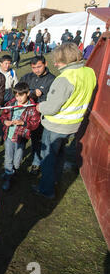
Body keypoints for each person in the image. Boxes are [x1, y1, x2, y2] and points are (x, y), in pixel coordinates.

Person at [34, 42, 96, 199]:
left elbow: (52, 107)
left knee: (48, 157)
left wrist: (40, 106)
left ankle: (46, 189)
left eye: (58, 61)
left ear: (67, 60)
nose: (55, 64)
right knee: (60, 154)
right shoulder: (89, 72)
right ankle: (55, 180)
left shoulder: (64, 79)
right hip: (73, 125)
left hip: (56, 125)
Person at [0, 82, 40, 191]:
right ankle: (8, 176)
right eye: (16, 95)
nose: (19, 98)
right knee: (8, 157)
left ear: (27, 93)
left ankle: (13, 172)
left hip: (21, 138)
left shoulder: (32, 107)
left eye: (21, 95)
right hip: (9, 136)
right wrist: (6, 121)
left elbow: (35, 124)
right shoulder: (11, 103)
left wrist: (24, 123)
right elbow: (3, 114)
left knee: (17, 161)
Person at [20, 56, 56, 175]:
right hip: (25, 114)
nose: (36, 70)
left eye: (39, 67)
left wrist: (40, 96)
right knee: (21, 138)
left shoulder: (52, 80)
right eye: (34, 67)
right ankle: (17, 161)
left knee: (38, 140)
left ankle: (36, 162)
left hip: (41, 116)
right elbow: (18, 90)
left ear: (45, 64)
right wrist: (31, 93)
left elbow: (53, 100)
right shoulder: (27, 77)